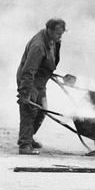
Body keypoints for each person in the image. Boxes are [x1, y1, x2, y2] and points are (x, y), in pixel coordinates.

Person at [16, 18, 66, 154]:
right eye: (58, 33)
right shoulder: (38, 46)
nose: (60, 36)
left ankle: (29, 137)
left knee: (42, 110)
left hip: (40, 82)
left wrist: (53, 75)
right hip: (29, 81)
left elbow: (47, 63)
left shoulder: (52, 41)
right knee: (29, 111)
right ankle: (24, 145)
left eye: (62, 34)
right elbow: (28, 70)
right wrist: (24, 93)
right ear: (49, 30)